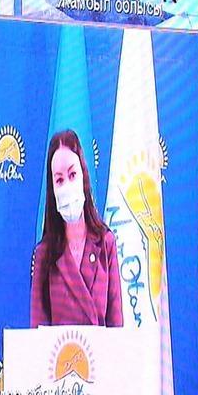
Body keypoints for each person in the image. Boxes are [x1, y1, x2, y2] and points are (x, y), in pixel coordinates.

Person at [31, 130, 123, 327]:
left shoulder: (106, 244)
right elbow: (37, 334)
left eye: (72, 175)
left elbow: (117, 330)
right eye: (59, 180)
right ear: (52, 190)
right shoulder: (44, 254)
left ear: (83, 177)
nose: (67, 186)